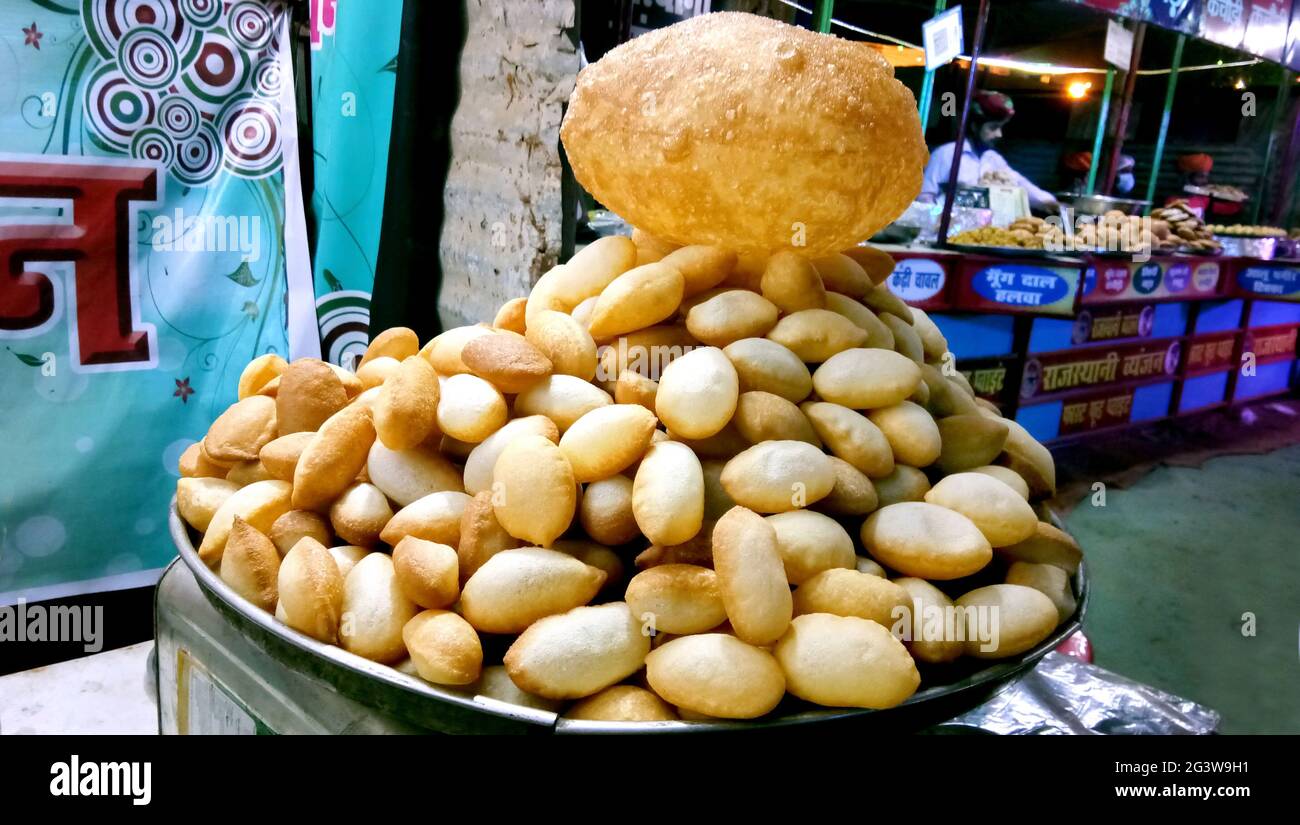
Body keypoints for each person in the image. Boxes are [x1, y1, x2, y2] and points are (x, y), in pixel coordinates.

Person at [920, 90, 1059, 212]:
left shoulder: (993, 159)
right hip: (943, 231)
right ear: (975, 126)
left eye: (1001, 128)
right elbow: (925, 196)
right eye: (993, 128)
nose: (999, 134)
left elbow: (1020, 184)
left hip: (978, 234)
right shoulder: (947, 154)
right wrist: (939, 217)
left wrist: (1050, 202)